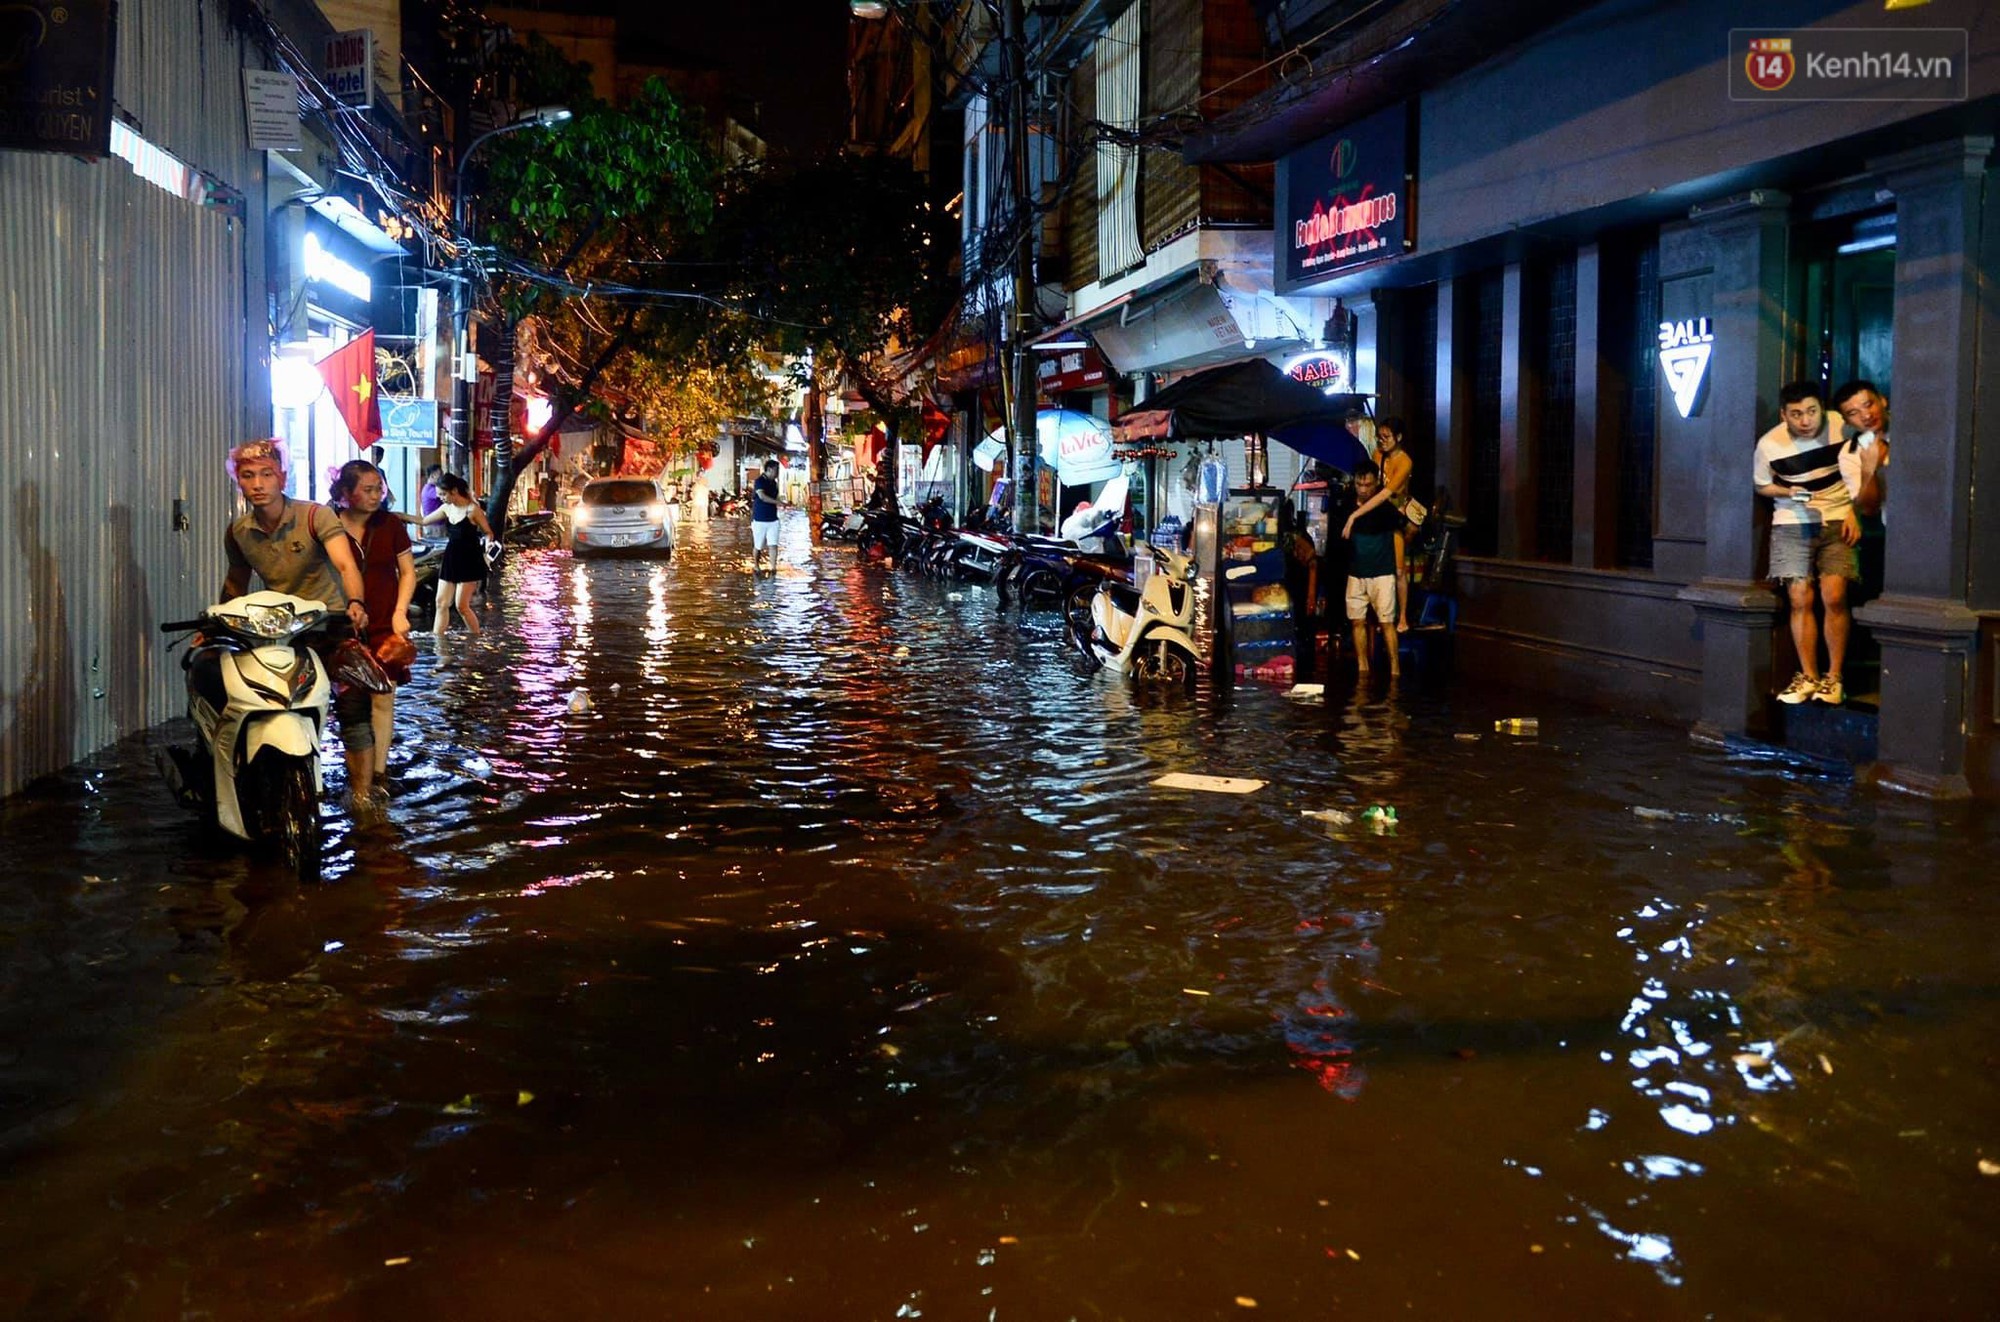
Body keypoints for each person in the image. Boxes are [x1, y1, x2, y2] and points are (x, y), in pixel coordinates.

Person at [219, 439, 374, 805]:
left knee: (353, 711)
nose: (258, 484)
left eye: (266, 474)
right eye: (248, 476)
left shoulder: (315, 516)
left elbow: (346, 565)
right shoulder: (239, 532)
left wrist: (355, 602)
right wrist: (218, 623)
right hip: (281, 632)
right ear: (238, 482)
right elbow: (236, 582)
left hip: (331, 623)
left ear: (282, 477)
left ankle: (364, 799)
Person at [1754, 381, 1861, 705]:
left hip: (1838, 519)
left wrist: (1855, 510)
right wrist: (1787, 491)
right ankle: (1808, 677)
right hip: (1791, 522)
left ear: (1822, 409)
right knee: (1799, 597)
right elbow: (1762, 485)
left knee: (1835, 596)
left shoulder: (1842, 425)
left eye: (1812, 411)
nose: (1805, 420)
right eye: (1796, 414)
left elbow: (1868, 466)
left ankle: (1834, 678)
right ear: (1783, 415)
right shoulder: (1769, 444)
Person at [332, 460, 415, 802]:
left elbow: (407, 572)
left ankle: (379, 773)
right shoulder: (328, 525)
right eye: (367, 490)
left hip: (384, 621)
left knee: (383, 697)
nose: (376, 496)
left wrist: (400, 612)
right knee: (348, 701)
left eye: (379, 489)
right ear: (345, 492)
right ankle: (355, 772)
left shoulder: (390, 525)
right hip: (341, 625)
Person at [1342, 415, 1416, 631]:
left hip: (1392, 513)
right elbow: (1371, 482)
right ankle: (1377, 614)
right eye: (1379, 437)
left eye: (1386, 437)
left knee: (1398, 569)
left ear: (1398, 437)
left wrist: (1354, 516)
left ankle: (1402, 616)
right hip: (1375, 512)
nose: (1381, 441)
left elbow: (1385, 494)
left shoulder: (1405, 462)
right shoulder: (1377, 454)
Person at [1342, 464, 1402, 677]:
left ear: (1376, 483)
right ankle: (1362, 667)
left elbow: (1406, 529)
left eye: (1368, 485)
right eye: (1359, 484)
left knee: (1386, 623)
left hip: (1382, 573)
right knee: (1357, 621)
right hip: (1356, 573)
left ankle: (1395, 669)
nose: (1363, 489)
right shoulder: (1346, 504)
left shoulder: (1385, 508)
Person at [418, 474, 492, 637]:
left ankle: (475, 638)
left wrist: (488, 544)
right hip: (451, 557)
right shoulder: (446, 508)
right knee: (440, 603)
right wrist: (399, 516)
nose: (441, 498)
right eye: (439, 495)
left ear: (454, 491)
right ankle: (439, 642)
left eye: (443, 494)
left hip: (469, 559)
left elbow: (488, 532)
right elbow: (423, 521)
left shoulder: (473, 510)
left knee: (461, 606)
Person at [1830, 379, 1890, 518]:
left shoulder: (1913, 426)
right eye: (1853, 413)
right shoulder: (1850, 453)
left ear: (1882, 401)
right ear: (1846, 421)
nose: (1866, 416)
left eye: (1868, 405)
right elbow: (1869, 508)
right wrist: (1869, 470)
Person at [750, 459, 787, 577]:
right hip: (759, 519)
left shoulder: (774, 483)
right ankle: (756, 566)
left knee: (773, 544)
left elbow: (774, 497)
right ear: (769, 469)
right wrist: (778, 502)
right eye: (776, 470)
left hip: (773, 519)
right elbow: (762, 497)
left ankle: (773, 568)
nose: (777, 473)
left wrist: (781, 502)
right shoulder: (760, 481)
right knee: (758, 546)